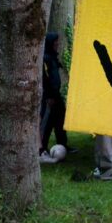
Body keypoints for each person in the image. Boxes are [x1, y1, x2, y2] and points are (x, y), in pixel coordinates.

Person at [39, 32, 70, 162]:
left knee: (61, 119)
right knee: (47, 121)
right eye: (55, 42)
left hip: (56, 95)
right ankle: (42, 148)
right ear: (50, 43)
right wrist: (49, 96)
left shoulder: (52, 57)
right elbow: (45, 79)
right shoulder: (45, 59)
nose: (57, 44)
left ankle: (62, 145)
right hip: (49, 96)